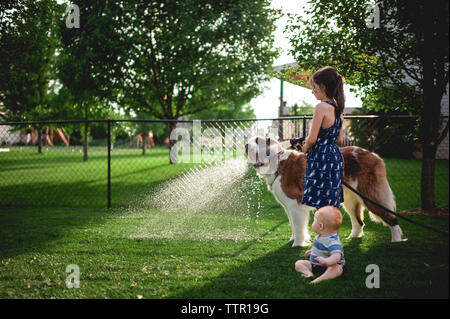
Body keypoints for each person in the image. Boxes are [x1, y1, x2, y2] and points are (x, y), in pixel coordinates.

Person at [300, 66, 345, 209]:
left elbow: (312, 140)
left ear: (323, 87)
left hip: (321, 159)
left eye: (314, 87)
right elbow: (339, 141)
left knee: (321, 203)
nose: (312, 91)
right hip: (335, 158)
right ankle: (331, 231)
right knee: (332, 203)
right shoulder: (338, 108)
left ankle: (323, 231)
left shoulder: (321, 107)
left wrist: (304, 148)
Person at [295, 206, 345, 284]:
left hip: (329, 266)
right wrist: (312, 252)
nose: (313, 222)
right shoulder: (320, 236)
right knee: (299, 263)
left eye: (314, 221)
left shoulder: (333, 242)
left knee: (337, 269)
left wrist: (326, 261)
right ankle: (308, 273)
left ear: (321, 226)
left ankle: (319, 280)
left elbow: (337, 256)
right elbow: (321, 249)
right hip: (315, 265)